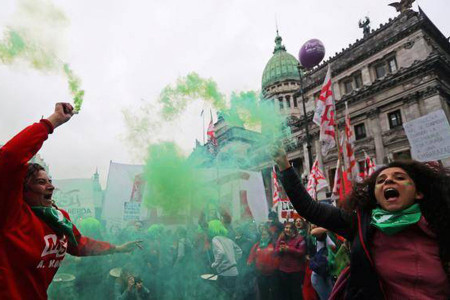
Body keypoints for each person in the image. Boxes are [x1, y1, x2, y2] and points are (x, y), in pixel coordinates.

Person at [0, 103, 142, 300]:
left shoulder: (59, 218)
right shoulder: (12, 214)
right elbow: (8, 157)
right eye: (41, 182)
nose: (50, 187)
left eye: (50, 181)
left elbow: (79, 244)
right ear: (23, 189)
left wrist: (117, 248)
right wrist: (53, 122)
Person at [273, 147, 450, 299]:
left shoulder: (441, 225)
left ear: (418, 192)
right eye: (381, 180)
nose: (388, 180)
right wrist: (284, 164)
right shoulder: (362, 223)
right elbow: (310, 208)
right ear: (376, 196)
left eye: (399, 177)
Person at [209, 219, 243, 298]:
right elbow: (239, 251)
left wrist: (215, 264)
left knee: (224, 296)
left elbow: (221, 252)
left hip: (225, 274)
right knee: (230, 296)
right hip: (234, 272)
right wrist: (233, 260)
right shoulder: (228, 240)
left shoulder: (215, 239)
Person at [247, 225, 279, 300]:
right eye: (262, 234)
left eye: (265, 234)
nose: (263, 236)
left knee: (274, 293)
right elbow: (252, 254)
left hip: (273, 274)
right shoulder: (257, 245)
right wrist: (249, 261)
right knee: (263, 292)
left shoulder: (274, 244)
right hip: (261, 274)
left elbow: (278, 256)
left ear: (270, 236)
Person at [276, 222, 306, 300]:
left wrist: (288, 249)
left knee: (295, 293)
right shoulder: (281, 238)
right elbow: (276, 251)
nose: (288, 230)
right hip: (283, 270)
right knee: (285, 293)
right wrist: (280, 250)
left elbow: (301, 252)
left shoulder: (300, 238)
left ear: (294, 229)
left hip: (295, 271)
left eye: (290, 228)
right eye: (286, 228)